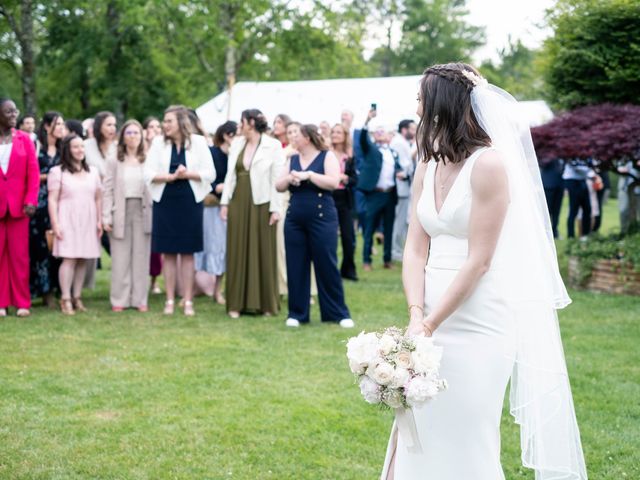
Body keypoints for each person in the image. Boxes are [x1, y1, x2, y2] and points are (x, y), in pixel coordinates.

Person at [380, 63, 587, 480]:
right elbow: (416, 248)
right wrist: (417, 314)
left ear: (443, 103)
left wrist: (433, 322)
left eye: (421, 96)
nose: (416, 105)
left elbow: (480, 259)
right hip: (429, 313)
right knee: (421, 422)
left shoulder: (490, 165)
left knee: (468, 431)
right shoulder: (428, 162)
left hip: (479, 318)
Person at [275, 124, 353, 328]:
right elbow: (278, 185)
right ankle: (297, 313)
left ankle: (337, 313)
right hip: (295, 219)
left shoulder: (326, 156)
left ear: (307, 138)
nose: (293, 138)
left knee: (326, 262)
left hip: (322, 217)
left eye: (297, 135)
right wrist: (290, 177)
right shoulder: (292, 158)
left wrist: (308, 175)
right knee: (296, 264)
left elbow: (333, 182)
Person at [144, 105, 215, 316]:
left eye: (169, 121)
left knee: (187, 251)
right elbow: (147, 172)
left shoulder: (199, 142)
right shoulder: (158, 143)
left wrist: (188, 174)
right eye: (164, 121)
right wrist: (169, 177)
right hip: (165, 200)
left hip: (189, 200)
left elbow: (210, 173)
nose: (165, 125)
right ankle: (169, 299)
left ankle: (188, 299)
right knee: (167, 251)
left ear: (181, 123)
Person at [220, 109, 284, 318]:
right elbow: (230, 175)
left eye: (242, 122)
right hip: (238, 200)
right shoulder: (237, 144)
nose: (240, 126)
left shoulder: (272, 145)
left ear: (251, 123)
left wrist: (276, 208)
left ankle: (266, 304)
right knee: (237, 248)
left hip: (262, 202)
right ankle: (235, 304)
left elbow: (277, 179)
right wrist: (224, 203)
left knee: (263, 249)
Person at [47, 135, 102, 315]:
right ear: (67, 150)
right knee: (69, 259)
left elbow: (98, 197)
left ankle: (77, 296)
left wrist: (99, 220)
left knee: (83, 259)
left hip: (88, 218)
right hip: (67, 219)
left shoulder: (93, 172)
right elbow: (53, 200)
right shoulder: (57, 172)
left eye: (82, 147)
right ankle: (65, 297)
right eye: (75, 147)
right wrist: (55, 224)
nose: (80, 150)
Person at [103, 120, 152, 312]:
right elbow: (107, 188)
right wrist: (106, 216)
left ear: (142, 136)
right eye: (129, 133)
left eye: (136, 133)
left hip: (143, 209)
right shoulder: (114, 159)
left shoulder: (148, 158)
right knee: (120, 257)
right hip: (120, 210)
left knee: (141, 255)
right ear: (123, 136)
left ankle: (140, 298)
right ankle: (119, 299)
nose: (133, 136)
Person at [0, 98, 39, 318]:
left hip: (19, 208)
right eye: (8, 112)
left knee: (19, 257)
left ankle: (22, 302)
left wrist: (31, 200)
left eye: (15, 111)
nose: (14, 115)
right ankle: (2, 303)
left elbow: (33, 173)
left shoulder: (25, 140)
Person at [194, 121, 236, 304]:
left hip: (229, 207)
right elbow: (202, 176)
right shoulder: (212, 154)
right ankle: (190, 290)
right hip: (209, 207)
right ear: (227, 135)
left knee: (222, 249)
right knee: (201, 248)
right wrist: (214, 187)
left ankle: (218, 291)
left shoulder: (237, 156)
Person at [357, 112, 400, 271]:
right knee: (369, 228)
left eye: (384, 131)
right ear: (374, 135)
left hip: (390, 193)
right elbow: (362, 138)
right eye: (378, 131)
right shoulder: (371, 149)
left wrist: (401, 174)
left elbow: (398, 168)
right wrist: (367, 120)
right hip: (375, 194)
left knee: (388, 229)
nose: (381, 133)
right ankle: (366, 260)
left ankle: (387, 260)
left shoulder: (393, 152)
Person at [30, 111, 65, 307]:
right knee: (41, 249)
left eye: (62, 124)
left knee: (59, 249)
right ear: (46, 126)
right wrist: (50, 176)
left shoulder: (63, 148)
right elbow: (30, 172)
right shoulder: (36, 147)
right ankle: (44, 291)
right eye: (57, 124)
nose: (61, 127)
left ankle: (61, 288)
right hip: (40, 204)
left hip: (61, 202)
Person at [330, 123, 358, 281]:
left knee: (349, 237)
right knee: (330, 238)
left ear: (345, 135)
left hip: (344, 199)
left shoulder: (350, 156)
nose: (335, 134)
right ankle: (330, 270)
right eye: (333, 132)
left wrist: (346, 178)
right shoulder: (326, 153)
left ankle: (348, 270)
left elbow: (355, 179)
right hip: (329, 197)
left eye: (338, 132)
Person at [390, 119, 416, 261]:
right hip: (401, 187)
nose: (414, 132)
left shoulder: (402, 142)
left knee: (402, 220)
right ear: (404, 129)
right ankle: (396, 252)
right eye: (412, 129)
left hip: (404, 186)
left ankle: (399, 250)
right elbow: (404, 165)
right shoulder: (399, 142)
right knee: (399, 221)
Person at [143, 116, 164, 293]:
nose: (155, 129)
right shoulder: (140, 149)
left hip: (158, 198)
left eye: (158, 126)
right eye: (151, 126)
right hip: (141, 198)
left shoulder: (163, 150)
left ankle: (154, 280)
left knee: (155, 245)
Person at [563, 157, 600, 238]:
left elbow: (591, 166)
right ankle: (571, 235)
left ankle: (585, 235)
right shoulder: (572, 153)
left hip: (582, 181)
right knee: (573, 210)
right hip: (572, 181)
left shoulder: (586, 155)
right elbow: (577, 167)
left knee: (587, 209)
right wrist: (592, 174)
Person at [540, 157, 565, 238]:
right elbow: (542, 163)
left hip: (560, 184)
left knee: (557, 210)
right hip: (548, 185)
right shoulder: (546, 152)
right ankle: (545, 231)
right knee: (547, 210)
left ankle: (555, 231)